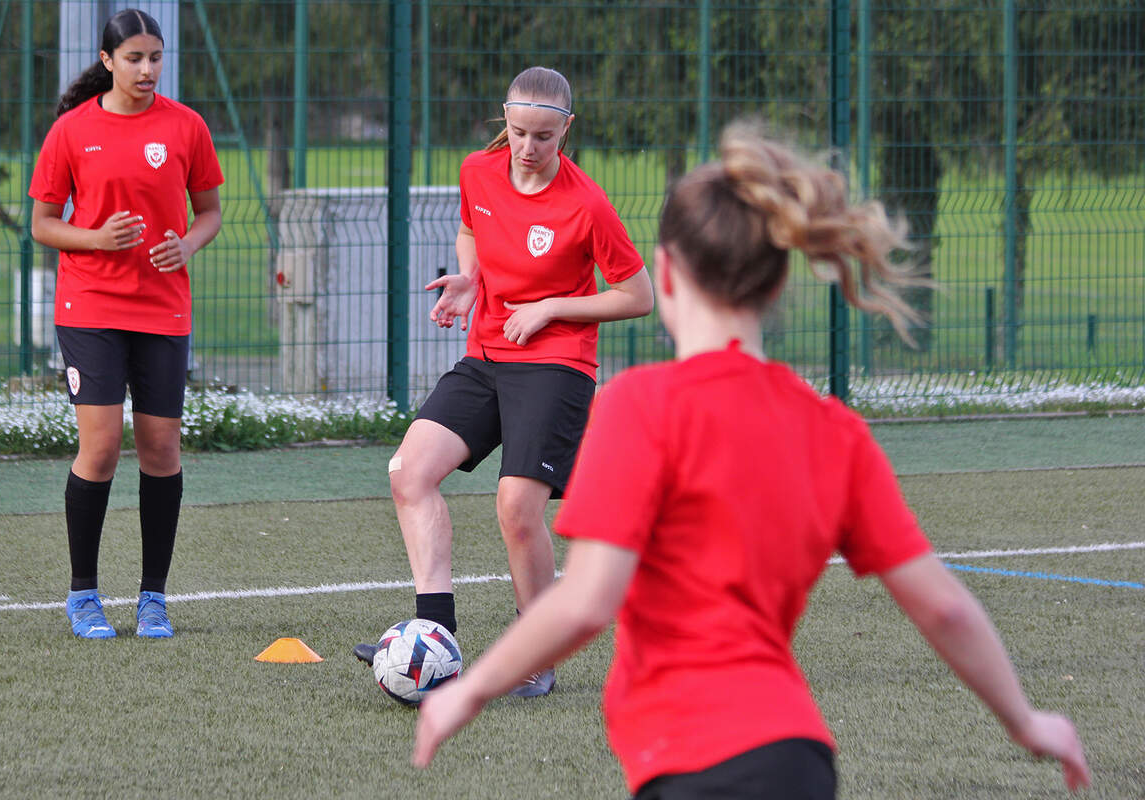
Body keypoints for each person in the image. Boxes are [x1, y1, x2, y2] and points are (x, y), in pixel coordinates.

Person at [410, 122, 1091, 796]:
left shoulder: (639, 406)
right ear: (775, 284)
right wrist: (1026, 721)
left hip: (685, 763)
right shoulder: (835, 430)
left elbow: (587, 603)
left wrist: (470, 693)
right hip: (798, 759)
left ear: (668, 273)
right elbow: (945, 610)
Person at [352, 66, 654, 697]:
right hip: (488, 355)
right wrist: (469, 279)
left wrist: (552, 307)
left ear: (565, 131)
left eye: (544, 136)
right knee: (409, 472)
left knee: (517, 509)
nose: (528, 148)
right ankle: (435, 638)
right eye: (518, 132)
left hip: (557, 363)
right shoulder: (477, 172)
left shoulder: (586, 203)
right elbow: (471, 230)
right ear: (504, 121)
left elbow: (637, 295)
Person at [29, 8, 223, 639]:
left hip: (162, 307)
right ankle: (84, 595)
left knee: (162, 448)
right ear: (108, 61)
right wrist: (96, 238)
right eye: (134, 58)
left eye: (155, 58)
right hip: (89, 305)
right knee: (104, 445)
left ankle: (152, 599)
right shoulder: (71, 131)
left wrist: (187, 246)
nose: (146, 69)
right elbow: (43, 224)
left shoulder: (186, 126)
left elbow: (210, 212)